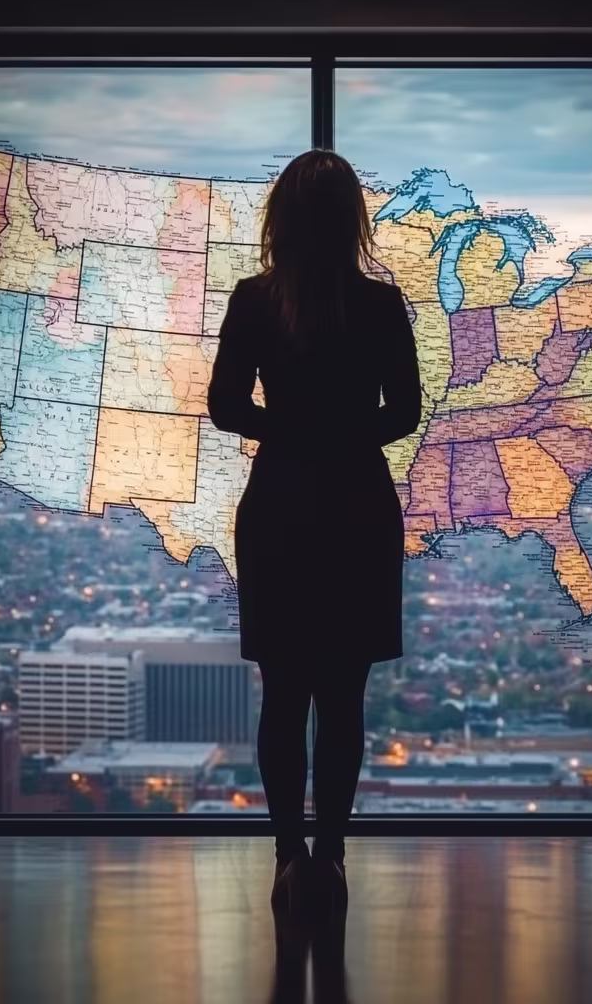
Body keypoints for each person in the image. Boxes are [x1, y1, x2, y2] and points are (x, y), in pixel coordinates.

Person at [206, 149, 422, 914]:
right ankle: (330, 856)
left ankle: (288, 855)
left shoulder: (253, 300)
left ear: (281, 222)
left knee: (283, 689)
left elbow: (226, 405)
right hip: (357, 501)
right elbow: (405, 412)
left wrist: (290, 428)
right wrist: (342, 432)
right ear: (351, 219)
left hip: (281, 503)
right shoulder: (380, 306)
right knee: (343, 694)